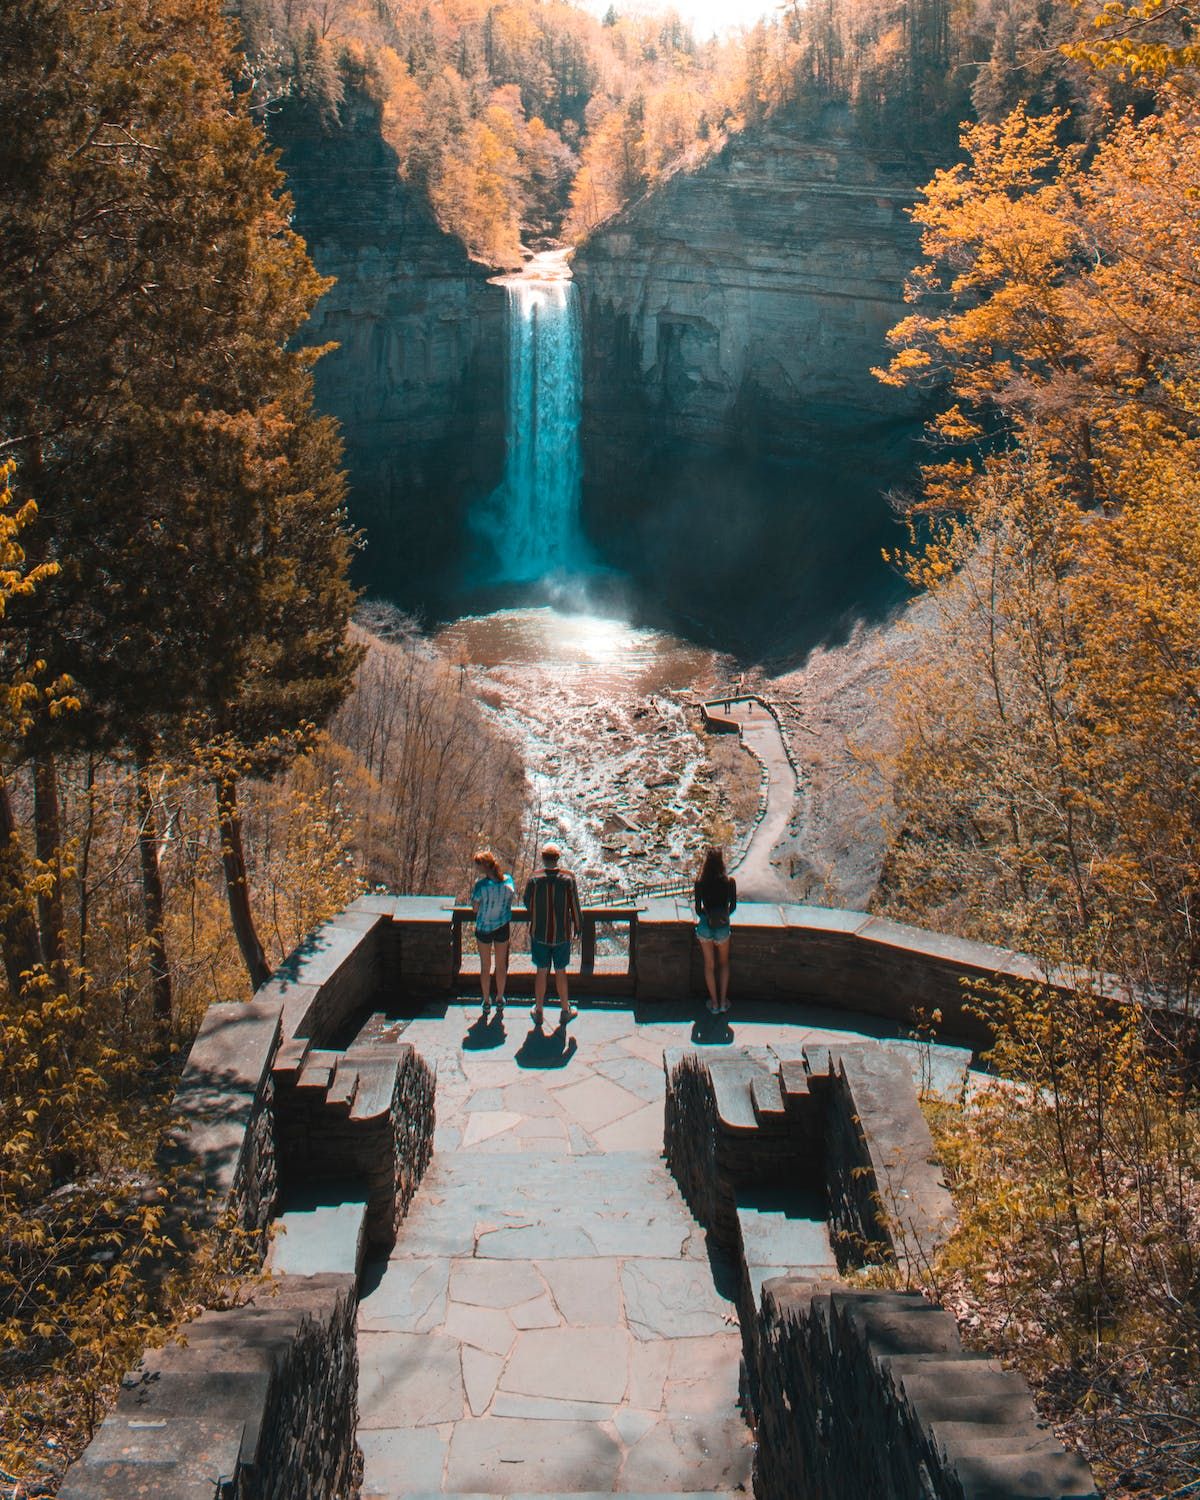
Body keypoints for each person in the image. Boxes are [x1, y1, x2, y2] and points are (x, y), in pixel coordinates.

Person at [523, 843, 583, 1029]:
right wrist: (578, 926)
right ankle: (565, 1010)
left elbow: (527, 902)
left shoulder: (534, 878)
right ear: (557, 858)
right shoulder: (568, 878)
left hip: (539, 933)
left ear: (543, 858)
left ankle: (539, 1010)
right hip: (562, 934)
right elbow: (575, 904)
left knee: (541, 970)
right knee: (561, 971)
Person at [471, 849, 515, 1019]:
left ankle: (486, 1000)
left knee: (485, 966)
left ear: (483, 867)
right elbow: (510, 900)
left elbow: (475, 908)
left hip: (484, 927)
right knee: (501, 964)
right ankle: (500, 997)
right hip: (502, 925)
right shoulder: (508, 881)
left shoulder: (481, 886)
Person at [695, 845, 736, 1013]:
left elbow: (698, 909)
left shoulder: (700, 882)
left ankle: (713, 1003)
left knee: (709, 965)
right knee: (724, 963)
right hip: (722, 925)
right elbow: (733, 906)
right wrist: (723, 915)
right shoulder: (729, 882)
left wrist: (708, 915)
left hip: (705, 925)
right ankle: (723, 1002)